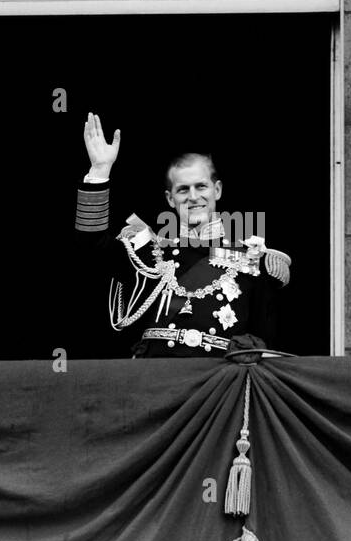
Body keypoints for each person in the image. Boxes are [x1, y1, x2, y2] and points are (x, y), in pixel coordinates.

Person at [75, 112, 290, 357]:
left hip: (219, 386)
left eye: (201, 186)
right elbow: (89, 247)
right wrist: (99, 171)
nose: (193, 196)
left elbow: (267, 346)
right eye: (183, 189)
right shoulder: (152, 252)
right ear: (170, 198)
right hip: (155, 383)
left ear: (217, 190)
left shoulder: (252, 259)